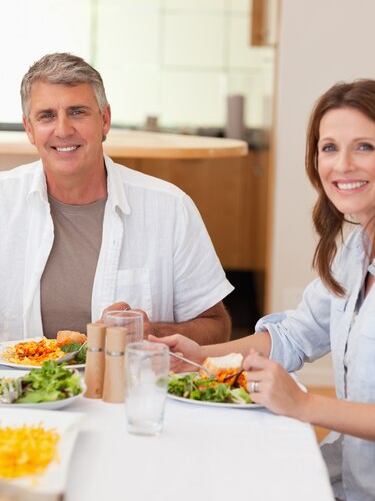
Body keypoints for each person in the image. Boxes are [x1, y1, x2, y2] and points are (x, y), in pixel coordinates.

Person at [153, 79, 375, 501]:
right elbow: (297, 334)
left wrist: (305, 406)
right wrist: (204, 353)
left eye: (364, 147)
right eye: (329, 147)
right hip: (348, 488)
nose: (343, 165)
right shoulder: (359, 247)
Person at [0, 52, 233, 344]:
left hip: (129, 386)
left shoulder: (170, 208)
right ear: (30, 130)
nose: (63, 130)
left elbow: (217, 326)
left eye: (77, 112)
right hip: (17, 389)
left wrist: (152, 332)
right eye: (47, 116)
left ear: (105, 120)